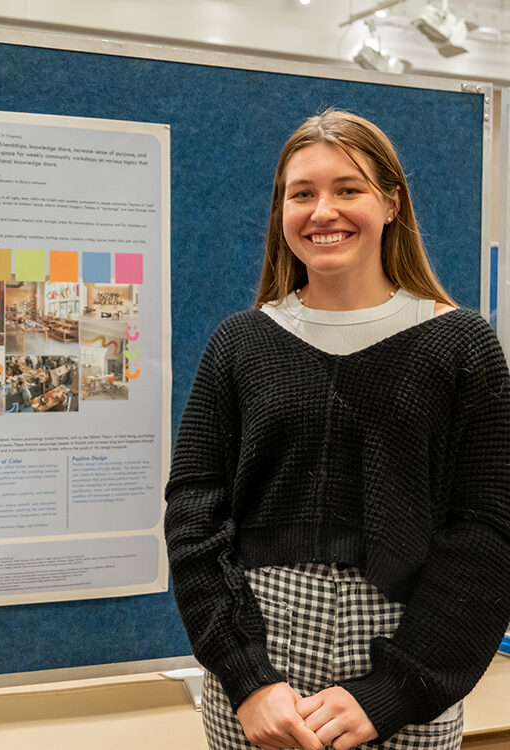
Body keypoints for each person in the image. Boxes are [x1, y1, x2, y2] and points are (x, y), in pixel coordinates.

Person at [165, 109, 510, 750]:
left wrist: (396, 690)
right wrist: (248, 678)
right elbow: (193, 517)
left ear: (390, 203)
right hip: (258, 670)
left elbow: (489, 533)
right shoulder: (240, 345)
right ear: (282, 212)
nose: (323, 211)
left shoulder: (463, 347)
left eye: (347, 189)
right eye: (302, 194)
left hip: (408, 659)